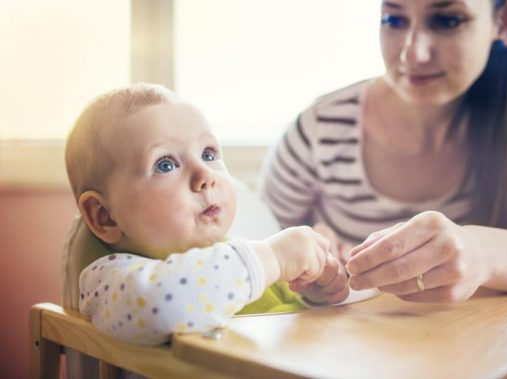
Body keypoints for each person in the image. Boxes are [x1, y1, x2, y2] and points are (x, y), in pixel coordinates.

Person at [261, 0, 507, 305]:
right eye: (394, 20)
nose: (414, 53)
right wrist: (307, 265)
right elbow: (249, 254)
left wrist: (479, 251)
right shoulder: (321, 128)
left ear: (504, 20)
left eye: (447, 20)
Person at [64, 83, 349, 346]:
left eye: (209, 154)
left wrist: (316, 293)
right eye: (165, 164)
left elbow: (297, 329)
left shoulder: (240, 257)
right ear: (105, 216)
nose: (206, 175)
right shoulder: (110, 281)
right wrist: (272, 257)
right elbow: (166, 303)